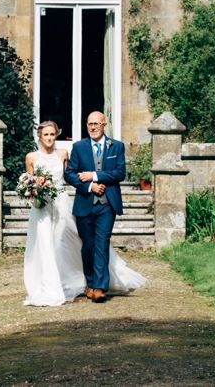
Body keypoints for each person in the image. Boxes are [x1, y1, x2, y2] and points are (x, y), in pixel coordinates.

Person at [23, 120, 144, 307]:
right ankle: (50, 284)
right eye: (45, 134)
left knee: (68, 242)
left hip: (62, 203)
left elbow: (71, 175)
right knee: (53, 244)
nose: (48, 138)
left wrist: (93, 178)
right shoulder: (31, 157)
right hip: (42, 207)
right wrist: (34, 189)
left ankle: (99, 286)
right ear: (39, 136)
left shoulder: (64, 153)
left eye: (52, 134)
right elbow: (31, 182)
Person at [64, 110, 126, 303]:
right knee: (88, 246)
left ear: (104, 124)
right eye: (89, 124)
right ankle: (90, 282)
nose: (92, 127)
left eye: (96, 124)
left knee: (102, 243)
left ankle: (100, 287)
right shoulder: (79, 147)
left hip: (107, 204)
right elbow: (70, 174)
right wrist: (90, 186)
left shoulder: (116, 146)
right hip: (84, 203)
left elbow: (119, 173)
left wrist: (94, 175)